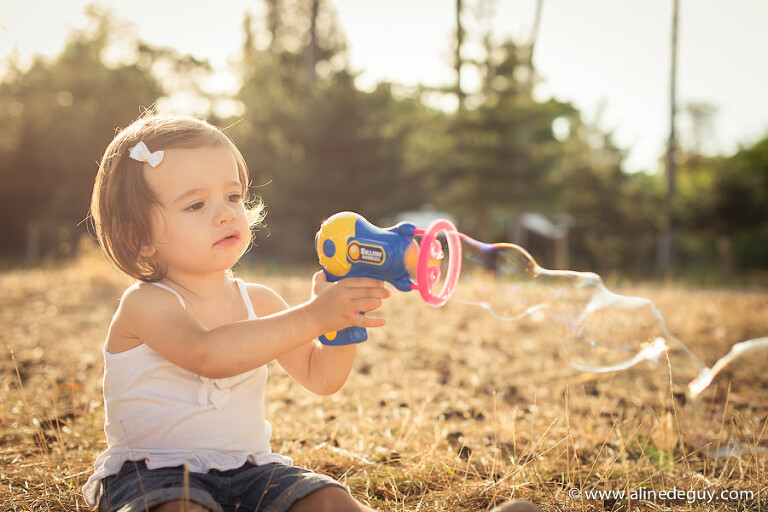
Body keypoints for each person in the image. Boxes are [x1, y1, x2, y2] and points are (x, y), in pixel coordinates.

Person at [83, 113, 391, 512]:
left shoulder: (259, 302)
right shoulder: (145, 304)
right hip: (153, 474)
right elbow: (207, 354)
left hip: (250, 472)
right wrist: (315, 316)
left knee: (331, 500)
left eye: (233, 197)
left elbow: (323, 376)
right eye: (196, 204)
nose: (227, 214)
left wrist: (341, 323)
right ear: (138, 237)